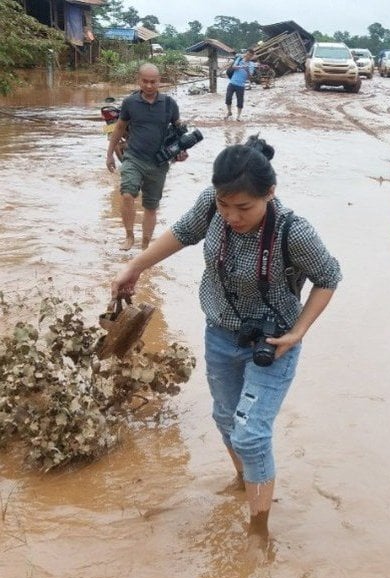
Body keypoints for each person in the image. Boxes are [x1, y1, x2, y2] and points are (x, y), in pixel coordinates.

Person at [110, 135, 342, 549]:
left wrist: (299, 332)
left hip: (274, 343)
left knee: (251, 434)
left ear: (270, 194)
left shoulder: (294, 231)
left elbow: (328, 278)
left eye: (244, 208)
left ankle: (258, 530)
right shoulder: (211, 206)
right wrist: (135, 266)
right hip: (220, 334)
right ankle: (243, 481)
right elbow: (181, 233)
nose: (231, 216)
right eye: (223, 205)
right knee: (224, 421)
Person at [106, 63, 187, 251]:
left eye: (153, 82)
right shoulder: (130, 103)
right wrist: (110, 154)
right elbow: (118, 128)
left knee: (151, 206)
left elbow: (178, 131)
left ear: (159, 81)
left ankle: (145, 246)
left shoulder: (169, 104)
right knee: (127, 194)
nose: (149, 86)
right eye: (145, 81)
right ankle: (129, 236)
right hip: (134, 157)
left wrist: (181, 151)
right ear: (138, 80)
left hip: (159, 162)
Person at [225, 49, 256, 121]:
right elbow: (233, 67)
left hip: (241, 85)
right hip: (232, 82)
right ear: (245, 53)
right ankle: (229, 112)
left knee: (240, 101)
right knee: (228, 98)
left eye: (250, 55)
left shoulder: (251, 64)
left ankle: (238, 116)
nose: (248, 56)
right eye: (247, 54)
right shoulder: (239, 59)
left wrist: (247, 69)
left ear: (252, 57)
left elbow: (250, 77)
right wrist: (240, 66)